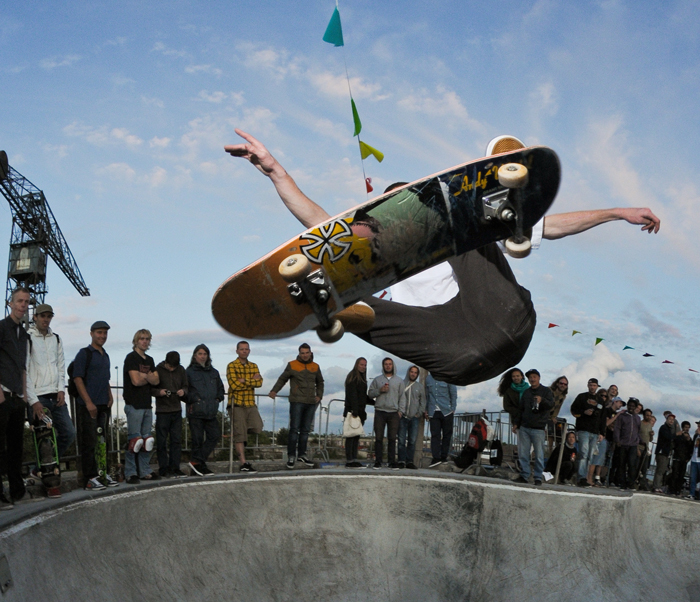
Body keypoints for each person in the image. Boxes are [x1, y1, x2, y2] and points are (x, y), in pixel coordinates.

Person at [226, 128, 660, 388]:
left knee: (464, 232)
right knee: (345, 283)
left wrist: (615, 212)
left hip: (499, 313)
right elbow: (319, 223)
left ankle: (503, 204)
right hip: (449, 348)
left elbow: (555, 224)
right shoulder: (372, 259)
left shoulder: (447, 229)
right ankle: (328, 304)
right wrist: (276, 173)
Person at [25, 303, 75, 462]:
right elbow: (23, 371)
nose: (46, 319)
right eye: (42, 316)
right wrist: (33, 401)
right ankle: (44, 470)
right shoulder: (28, 338)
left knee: (69, 433)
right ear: (35, 317)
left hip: (56, 395)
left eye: (49, 316)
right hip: (39, 396)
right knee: (42, 440)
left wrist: (61, 389)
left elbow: (61, 366)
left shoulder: (56, 339)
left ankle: (45, 467)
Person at [71, 321, 118, 490]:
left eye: (105, 333)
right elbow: (77, 378)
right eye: (99, 332)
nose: (102, 336)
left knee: (102, 442)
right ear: (91, 333)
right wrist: (88, 402)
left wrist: (110, 395)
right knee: (89, 442)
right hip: (88, 405)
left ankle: (102, 473)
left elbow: (105, 379)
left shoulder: (105, 355)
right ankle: (89, 478)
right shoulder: (84, 353)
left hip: (103, 404)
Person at [0, 288, 33, 505]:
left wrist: (23, 396)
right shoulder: (1, 327)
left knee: (15, 446)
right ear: (10, 303)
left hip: (17, 398)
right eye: (19, 301)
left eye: (26, 302)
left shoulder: (24, 335)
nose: (23, 305)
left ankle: (17, 490)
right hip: (2, 395)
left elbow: (23, 367)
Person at [269, 343, 323, 469]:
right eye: (302, 353)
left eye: (307, 352)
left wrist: (319, 395)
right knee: (294, 429)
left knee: (305, 430)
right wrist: (274, 391)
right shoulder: (292, 364)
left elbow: (320, 382)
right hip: (297, 401)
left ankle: (302, 455)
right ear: (299, 353)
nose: (304, 355)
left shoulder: (315, 366)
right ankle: (291, 456)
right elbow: (282, 379)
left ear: (310, 353)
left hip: (311, 402)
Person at [123, 329, 159, 483]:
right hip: (134, 404)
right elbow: (135, 381)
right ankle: (130, 472)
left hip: (147, 404)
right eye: (142, 339)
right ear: (136, 340)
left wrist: (144, 376)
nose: (144, 341)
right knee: (134, 441)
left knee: (147, 441)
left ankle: (144, 470)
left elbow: (157, 381)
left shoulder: (149, 360)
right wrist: (148, 377)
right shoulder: (131, 358)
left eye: (147, 339)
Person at [186, 344, 224, 475]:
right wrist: (195, 399)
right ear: (195, 356)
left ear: (208, 356)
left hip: (211, 412)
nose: (202, 356)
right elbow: (185, 391)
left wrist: (217, 399)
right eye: (200, 354)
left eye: (204, 354)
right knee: (197, 440)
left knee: (214, 436)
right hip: (196, 411)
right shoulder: (189, 372)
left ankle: (196, 461)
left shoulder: (214, 372)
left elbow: (221, 389)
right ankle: (197, 467)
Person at [227, 340, 264, 473]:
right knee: (240, 434)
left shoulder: (254, 365)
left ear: (249, 351)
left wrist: (244, 380)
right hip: (236, 403)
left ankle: (241, 437)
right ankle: (243, 463)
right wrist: (251, 381)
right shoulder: (231, 365)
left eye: (246, 349)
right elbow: (234, 385)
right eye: (242, 349)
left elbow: (259, 383)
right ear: (237, 351)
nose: (244, 351)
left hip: (250, 403)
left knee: (257, 426)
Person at [512, 368, 554, 485]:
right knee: (523, 453)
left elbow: (551, 405)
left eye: (534, 377)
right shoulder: (527, 392)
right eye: (530, 377)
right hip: (524, 427)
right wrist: (516, 423)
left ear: (539, 378)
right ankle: (524, 475)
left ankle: (537, 477)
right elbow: (521, 409)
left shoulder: (546, 391)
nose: (532, 379)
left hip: (538, 428)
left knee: (539, 455)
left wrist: (542, 400)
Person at [154, 351, 188, 476]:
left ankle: (175, 467)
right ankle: (163, 468)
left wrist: (183, 391)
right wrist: (160, 392)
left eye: (174, 367)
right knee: (161, 441)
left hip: (176, 410)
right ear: (166, 362)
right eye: (170, 367)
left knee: (176, 441)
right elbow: (151, 389)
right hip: (162, 411)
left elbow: (186, 386)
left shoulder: (181, 370)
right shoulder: (158, 369)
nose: (172, 369)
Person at [368, 357, 404, 468]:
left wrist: (401, 411)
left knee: (392, 438)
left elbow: (402, 397)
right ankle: (378, 461)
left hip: (393, 413)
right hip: (380, 411)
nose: (388, 366)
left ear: (393, 366)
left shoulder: (399, 381)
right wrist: (380, 390)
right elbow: (370, 393)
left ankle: (392, 462)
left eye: (390, 364)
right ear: (383, 366)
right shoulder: (377, 380)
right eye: (386, 364)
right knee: (378, 438)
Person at [571, 378, 605, 487]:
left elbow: (603, 418)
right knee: (583, 454)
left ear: (597, 387)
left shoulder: (600, 400)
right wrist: (583, 412)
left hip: (595, 432)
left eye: (594, 385)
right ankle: (581, 477)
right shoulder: (581, 397)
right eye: (591, 385)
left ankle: (585, 477)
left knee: (590, 456)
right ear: (588, 385)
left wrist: (602, 432)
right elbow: (573, 410)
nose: (592, 387)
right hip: (583, 429)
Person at [343, 356, 373, 467]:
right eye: (361, 364)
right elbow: (352, 395)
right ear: (357, 365)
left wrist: (374, 401)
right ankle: (350, 460)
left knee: (356, 436)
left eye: (365, 365)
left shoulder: (362, 378)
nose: (363, 367)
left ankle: (354, 458)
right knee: (351, 436)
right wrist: (355, 410)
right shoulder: (352, 377)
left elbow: (362, 396)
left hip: (360, 411)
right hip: (353, 411)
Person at [425, 373, 457, 467]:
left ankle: (444, 457)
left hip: (446, 410)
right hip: (433, 411)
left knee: (447, 435)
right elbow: (427, 395)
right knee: (435, 435)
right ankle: (436, 458)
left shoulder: (448, 377)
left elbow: (453, 393)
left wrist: (453, 408)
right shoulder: (428, 379)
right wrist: (426, 409)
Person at [397, 365, 425, 468]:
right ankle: (401, 461)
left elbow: (423, 402)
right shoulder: (402, 384)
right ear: (408, 372)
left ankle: (409, 461)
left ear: (417, 374)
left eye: (415, 372)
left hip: (414, 418)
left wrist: (419, 413)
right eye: (411, 372)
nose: (413, 374)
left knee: (412, 441)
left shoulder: (420, 387)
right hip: (402, 417)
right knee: (401, 440)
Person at [612, 398, 641, 489]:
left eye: (633, 406)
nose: (631, 407)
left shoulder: (637, 418)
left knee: (632, 464)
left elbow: (638, 431)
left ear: (636, 407)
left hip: (633, 445)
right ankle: (622, 483)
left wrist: (638, 442)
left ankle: (631, 483)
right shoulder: (622, 416)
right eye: (630, 405)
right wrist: (618, 440)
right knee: (622, 464)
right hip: (623, 444)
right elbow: (617, 428)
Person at [653, 412, 676, 492]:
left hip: (665, 453)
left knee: (662, 470)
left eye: (673, 420)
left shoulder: (669, 429)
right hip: (661, 452)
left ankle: (658, 486)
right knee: (660, 470)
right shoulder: (664, 428)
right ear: (666, 420)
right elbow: (668, 437)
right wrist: (676, 434)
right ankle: (656, 486)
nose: (671, 421)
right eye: (670, 419)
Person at [669, 422, 693, 496]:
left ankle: (678, 490)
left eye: (688, 427)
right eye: (686, 427)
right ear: (683, 427)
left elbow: (691, 449)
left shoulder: (689, 438)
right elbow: (674, 444)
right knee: (674, 474)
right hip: (677, 457)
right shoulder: (679, 435)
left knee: (681, 476)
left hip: (684, 459)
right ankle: (672, 490)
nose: (687, 429)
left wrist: (688, 440)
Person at [689, 423, 700, 500]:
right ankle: (692, 494)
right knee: (693, 477)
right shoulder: (695, 436)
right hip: (694, 459)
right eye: (698, 426)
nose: (698, 427)